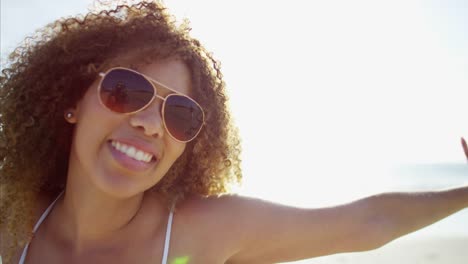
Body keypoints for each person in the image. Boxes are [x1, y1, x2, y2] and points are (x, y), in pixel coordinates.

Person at [0, 2, 467, 264]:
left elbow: (367, 223)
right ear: (70, 102)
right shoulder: (10, 224)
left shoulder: (201, 233)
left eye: (179, 115)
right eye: (127, 91)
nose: (150, 123)